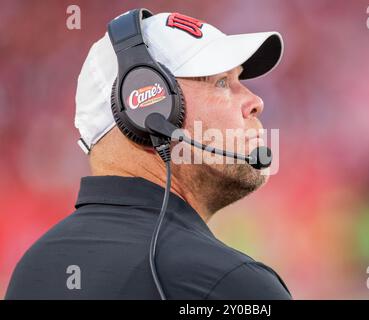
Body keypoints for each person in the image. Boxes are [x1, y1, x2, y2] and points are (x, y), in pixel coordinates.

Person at [6, 10, 291, 300]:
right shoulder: (229, 284)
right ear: (148, 111)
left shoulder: (33, 269)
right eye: (221, 82)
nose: (256, 102)